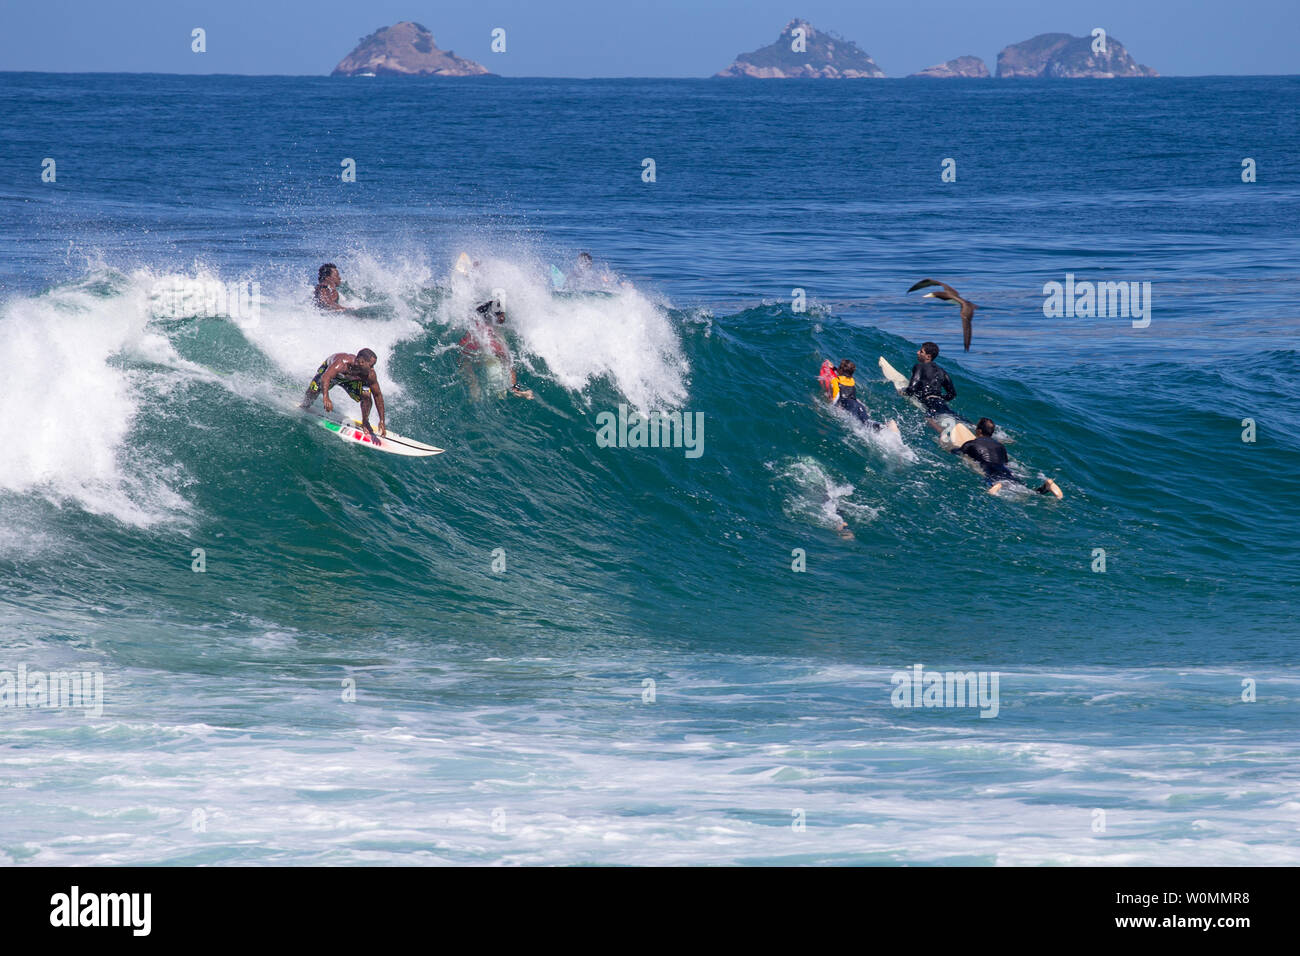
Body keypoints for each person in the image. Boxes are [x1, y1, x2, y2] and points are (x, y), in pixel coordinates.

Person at [951, 417, 1061, 497]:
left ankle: (996, 486)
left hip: (989, 469)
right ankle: (1046, 487)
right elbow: (1006, 463)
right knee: (1026, 491)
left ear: (979, 431)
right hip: (1005, 470)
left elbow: (956, 452)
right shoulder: (1000, 446)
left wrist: (946, 446)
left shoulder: (971, 443)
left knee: (992, 483)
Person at [299, 349, 386, 440]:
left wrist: (382, 420)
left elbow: (377, 395)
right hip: (329, 373)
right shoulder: (341, 363)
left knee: (366, 395)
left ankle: (365, 421)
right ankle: (305, 405)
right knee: (314, 390)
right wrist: (326, 397)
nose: (372, 368)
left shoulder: (369, 374)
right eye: (371, 365)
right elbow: (326, 377)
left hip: (351, 380)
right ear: (361, 362)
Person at [458, 299, 532, 399]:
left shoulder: (473, 325)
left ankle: (473, 386)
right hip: (491, 348)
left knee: (464, 361)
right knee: (509, 361)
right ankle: (516, 390)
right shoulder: (492, 331)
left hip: (471, 345)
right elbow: (505, 357)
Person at [823, 359, 895, 433]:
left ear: (840, 370)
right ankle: (885, 426)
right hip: (858, 405)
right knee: (866, 421)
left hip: (849, 406)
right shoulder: (851, 380)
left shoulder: (835, 381)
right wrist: (834, 368)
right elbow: (844, 375)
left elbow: (834, 400)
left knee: (864, 424)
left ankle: (884, 427)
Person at [904, 342, 957, 418]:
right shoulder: (942, 371)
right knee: (954, 417)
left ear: (928, 357)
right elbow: (952, 394)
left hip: (929, 403)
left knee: (929, 420)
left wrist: (903, 392)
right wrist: (939, 398)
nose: (917, 352)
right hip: (940, 403)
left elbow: (912, 389)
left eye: (921, 351)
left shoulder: (919, 366)